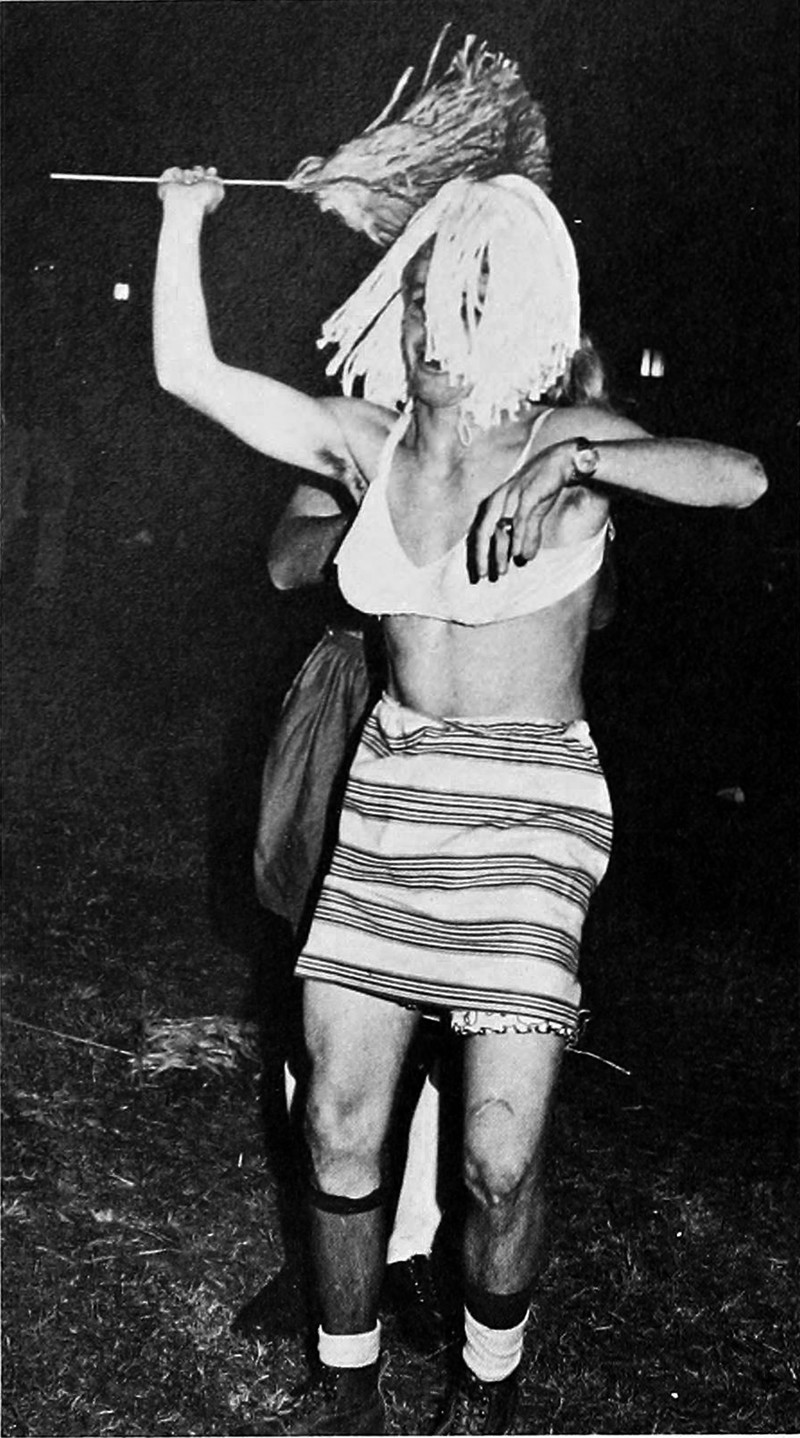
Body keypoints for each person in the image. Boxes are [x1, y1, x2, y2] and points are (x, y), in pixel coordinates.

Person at [153, 164, 766, 1435]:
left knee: (494, 1155)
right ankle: (346, 1388)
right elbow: (189, 374)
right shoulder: (365, 441)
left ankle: (486, 1390)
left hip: (529, 802)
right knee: (337, 1123)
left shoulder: (562, 441)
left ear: (526, 319)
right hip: (392, 787)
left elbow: (742, 477)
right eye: (428, 298)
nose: (439, 329)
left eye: (473, 304)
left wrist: (584, 456)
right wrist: (181, 220)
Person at [239, 477, 447, 1355]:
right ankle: (318, 1258)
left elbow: (597, 603)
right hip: (351, 687)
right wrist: (388, 505)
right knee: (312, 979)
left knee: (440, 1001)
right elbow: (287, 563)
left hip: (464, 702)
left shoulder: (523, 433)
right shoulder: (361, 433)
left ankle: (410, 1249)